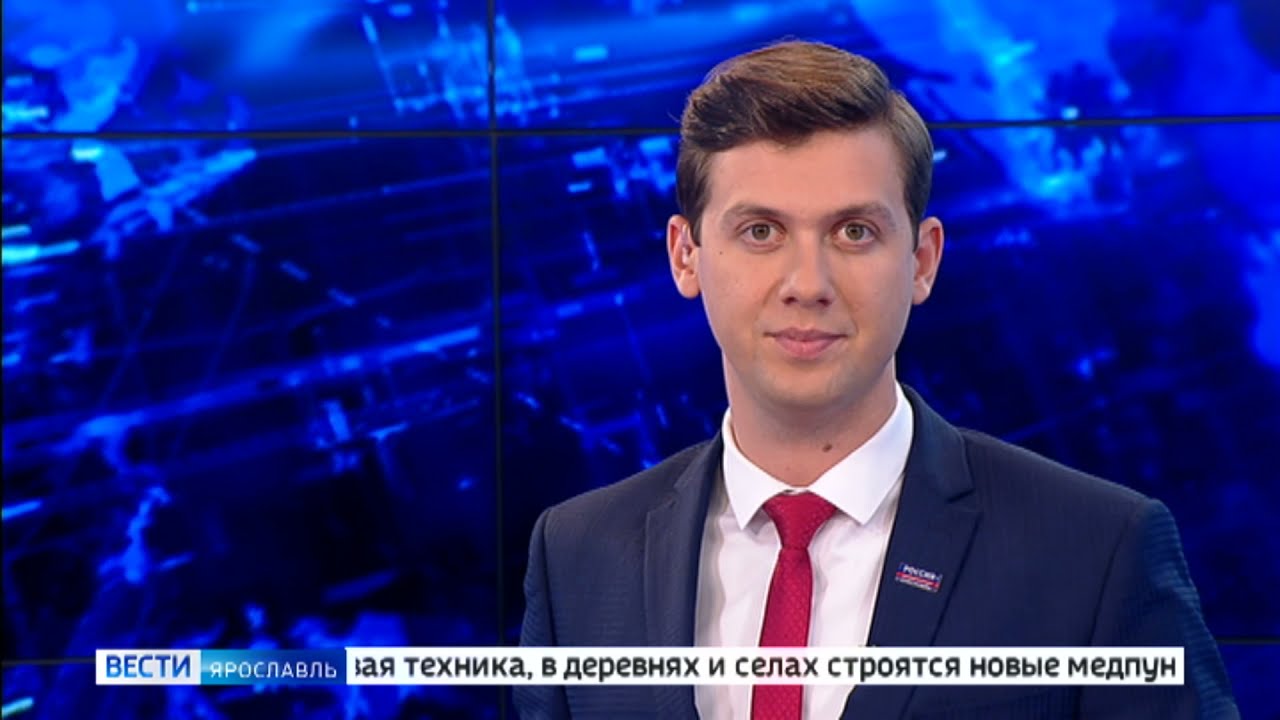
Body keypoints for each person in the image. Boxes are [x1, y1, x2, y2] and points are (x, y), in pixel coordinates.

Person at [515, 40, 1237, 719]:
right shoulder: (575, 554)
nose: (807, 283)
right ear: (686, 256)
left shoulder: (1098, 548)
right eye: (760, 232)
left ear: (922, 261)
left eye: (854, 232)